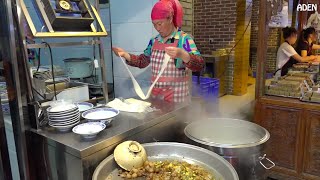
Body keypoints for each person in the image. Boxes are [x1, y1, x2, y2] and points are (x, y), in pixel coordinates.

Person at [112, 0, 204, 103]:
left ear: (170, 18)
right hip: (157, 98)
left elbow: (199, 65)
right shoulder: (154, 41)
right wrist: (125, 54)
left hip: (177, 99)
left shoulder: (184, 39)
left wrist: (182, 54)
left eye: (160, 24)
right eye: (154, 24)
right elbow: (143, 61)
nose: (157, 28)